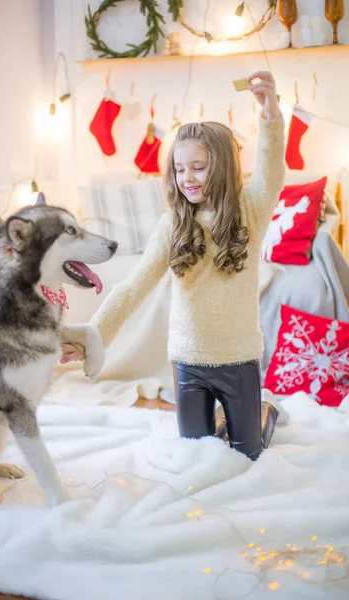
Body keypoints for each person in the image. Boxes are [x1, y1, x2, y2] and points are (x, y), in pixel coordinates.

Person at [62, 71, 285, 460]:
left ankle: (263, 413)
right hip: (188, 364)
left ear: (223, 166)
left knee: (248, 456)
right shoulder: (174, 225)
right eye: (180, 170)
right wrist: (91, 336)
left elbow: (271, 165)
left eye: (198, 167)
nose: (187, 179)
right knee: (197, 456)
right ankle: (219, 421)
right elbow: (132, 287)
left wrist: (270, 114)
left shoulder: (251, 209)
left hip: (238, 359)